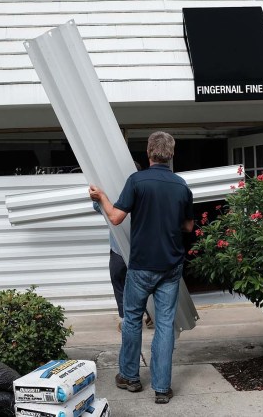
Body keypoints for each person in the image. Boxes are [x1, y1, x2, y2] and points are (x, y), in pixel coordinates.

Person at [88, 131, 194, 404]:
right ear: (171, 155)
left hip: (141, 266)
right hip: (170, 266)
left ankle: (130, 377)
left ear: (149, 153)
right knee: (165, 324)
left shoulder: (137, 181)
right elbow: (189, 227)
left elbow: (114, 216)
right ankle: (161, 388)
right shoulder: (182, 186)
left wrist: (100, 197)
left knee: (133, 319)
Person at [93, 161, 153, 332]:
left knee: (143, 281)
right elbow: (99, 208)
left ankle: (150, 314)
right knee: (119, 279)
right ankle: (128, 318)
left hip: (140, 246)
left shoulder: (144, 191)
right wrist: (99, 197)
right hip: (119, 246)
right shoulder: (115, 191)